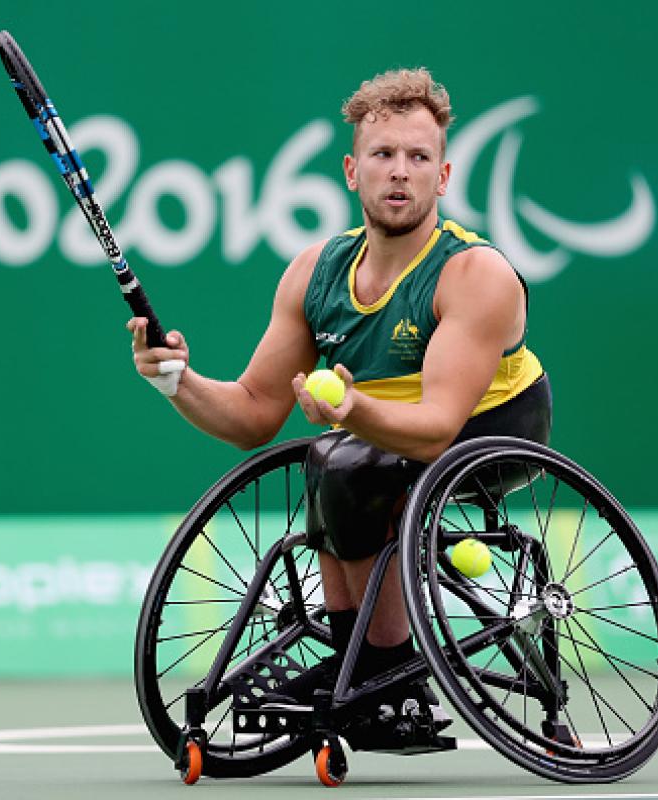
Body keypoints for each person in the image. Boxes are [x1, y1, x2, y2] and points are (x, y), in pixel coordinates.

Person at [128, 68, 551, 721]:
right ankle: (360, 654)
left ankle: (386, 674)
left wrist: (352, 411)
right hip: (381, 429)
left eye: (419, 158)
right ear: (353, 171)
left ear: (442, 177)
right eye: (384, 155)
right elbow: (251, 416)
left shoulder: (473, 274)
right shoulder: (314, 273)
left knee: (353, 461)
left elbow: (438, 428)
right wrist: (174, 379)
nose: (400, 172)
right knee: (332, 460)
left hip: (496, 425)